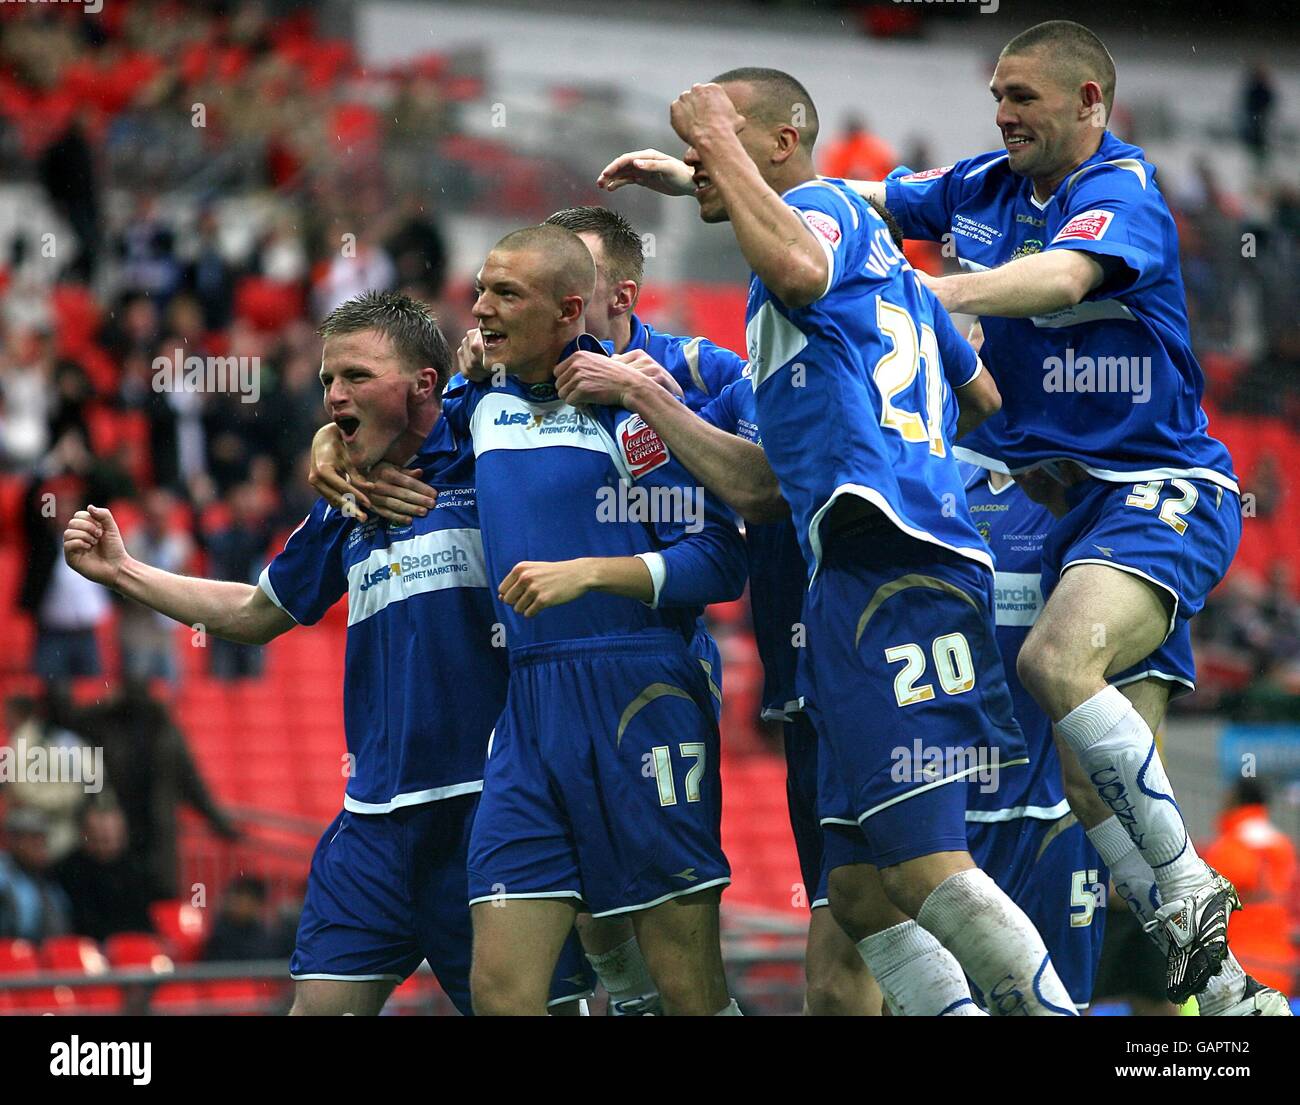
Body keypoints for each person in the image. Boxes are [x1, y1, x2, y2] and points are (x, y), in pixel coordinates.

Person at [598, 68, 1074, 1014]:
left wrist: (709, 133)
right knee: (860, 893)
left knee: (931, 865)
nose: (704, 157)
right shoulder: (888, 271)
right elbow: (974, 400)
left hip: (894, 567)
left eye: (720, 139)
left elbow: (802, 262)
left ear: (777, 143)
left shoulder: (818, 219)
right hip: (866, 565)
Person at [835, 19, 1286, 1015]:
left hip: (1153, 488)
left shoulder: (1121, 192)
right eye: (996, 96)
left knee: (1053, 665)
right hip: (1057, 504)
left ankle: (1186, 891)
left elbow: (1063, 279)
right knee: (1095, 793)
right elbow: (861, 199)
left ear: (1089, 102)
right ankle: (1224, 995)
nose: (1002, 115)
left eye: (1023, 98)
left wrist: (933, 294)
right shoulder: (984, 185)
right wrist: (726, 177)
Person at [62, 290, 592, 1017]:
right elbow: (255, 613)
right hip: (373, 821)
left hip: (489, 811)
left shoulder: (489, 454)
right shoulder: (344, 506)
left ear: (424, 385)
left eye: (356, 376)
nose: (334, 396)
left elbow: (554, 377)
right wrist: (124, 571)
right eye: (326, 381)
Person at [443, 225, 747, 1015]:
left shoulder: (633, 413)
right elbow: (388, 441)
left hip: (640, 689)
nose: (481, 309)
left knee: (685, 983)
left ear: (569, 309)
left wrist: (591, 574)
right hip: (530, 707)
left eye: (506, 294)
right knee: (501, 987)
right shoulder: (480, 400)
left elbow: (719, 559)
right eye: (481, 289)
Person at [961, 466, 1108, 1010]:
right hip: (959, 805)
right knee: (955, 996)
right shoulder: (940, 481)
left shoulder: (1083, 490)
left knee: (1066, 996)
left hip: (1061, 806)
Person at [1202, 779, 1297, 996]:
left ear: (1235, 799)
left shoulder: (1229, 848)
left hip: (1238, 966)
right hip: (1280, 966)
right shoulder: (1282, 845)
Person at [53, 802, 156, 943]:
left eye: (112, 837)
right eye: (100, 837)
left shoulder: (136, 870)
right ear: (84, 834)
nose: (107, 842)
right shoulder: (67, 871)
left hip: (136, 949)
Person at [0, 808, 72, 943]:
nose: (40, 845)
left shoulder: (50, 878)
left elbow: (60, 927)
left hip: (47, 953)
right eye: (32, 838)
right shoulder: (3, 875)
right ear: (14, 841)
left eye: (43, 839)